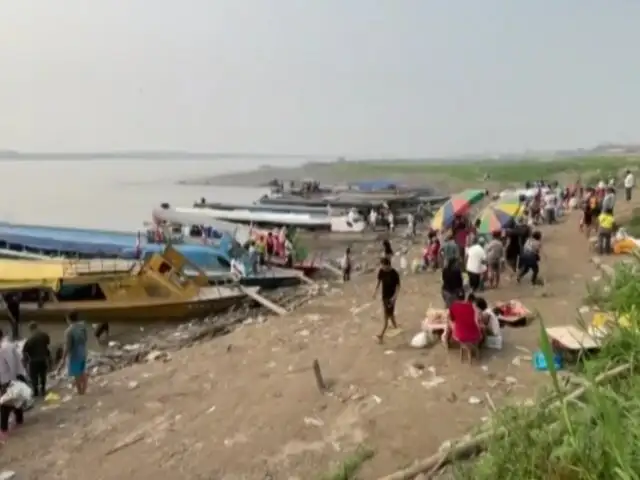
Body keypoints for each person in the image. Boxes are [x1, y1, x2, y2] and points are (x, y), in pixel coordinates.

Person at [0, 329, 27, 440]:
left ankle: (3, 429)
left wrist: (13, 381)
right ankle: (19, 419)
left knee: (5, 404)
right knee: (15, 400)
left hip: (9, 378)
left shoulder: (5, 348)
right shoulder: (6, 346)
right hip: (8, 378)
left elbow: (12, 365)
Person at [58, 312, 89, 395]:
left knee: (77, 374)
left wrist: (63, 359)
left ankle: (80, 392)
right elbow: (86, 339)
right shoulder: (83, 326)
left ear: (68, 319)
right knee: (82, 371)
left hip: (74, 354)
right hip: (83, 351)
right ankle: (84, 390)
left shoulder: (69, 331)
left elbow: (67, 346)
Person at [372, 257, 400, 343]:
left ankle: (381, 335)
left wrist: (394, 297)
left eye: (383, 265)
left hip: (391, 298)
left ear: (387, 265)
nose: (382, 267)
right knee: (390, 314)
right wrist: (375, 291)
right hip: (384, 297)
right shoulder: (381, 271)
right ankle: (396, 327)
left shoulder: (394, 273)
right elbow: (379, 282)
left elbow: (398, 286)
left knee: (386, 317)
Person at [22, 322, 51, 398]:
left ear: (31, 329)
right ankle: (43, 390)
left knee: (34, 376)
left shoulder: (30, 339)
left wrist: (25, 361)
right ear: (37, 327)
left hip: (34, 360)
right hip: (43, 359)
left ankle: (35, 391)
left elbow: (25, 350)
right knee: (43, 375)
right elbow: (48, 344)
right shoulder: (44, 335)